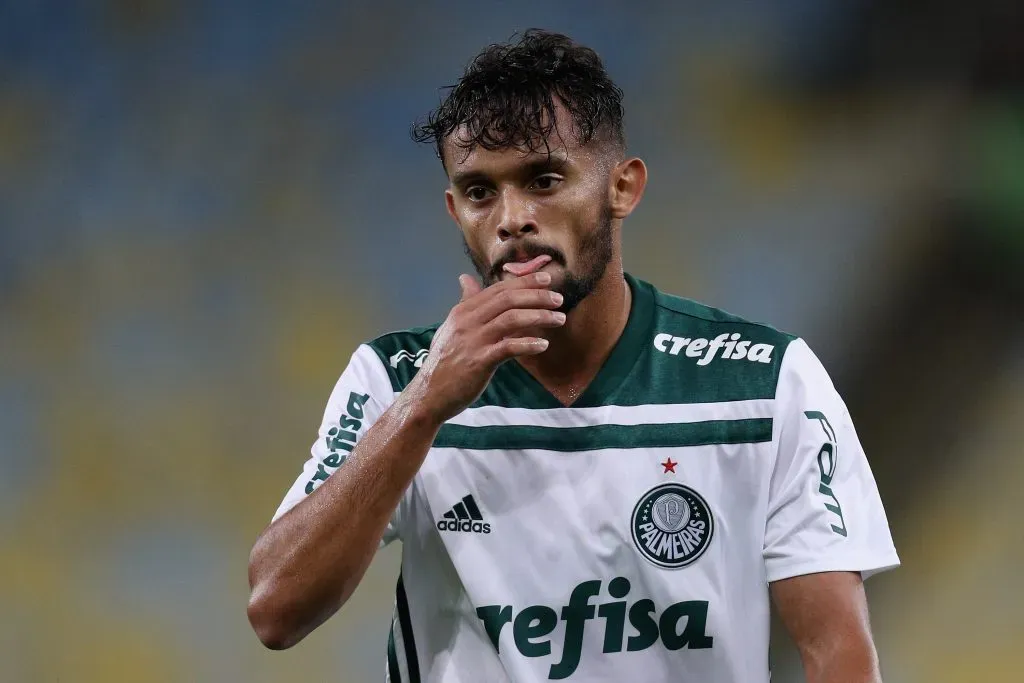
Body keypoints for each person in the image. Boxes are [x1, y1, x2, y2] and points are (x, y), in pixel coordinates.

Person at [247, 29, 899, 683]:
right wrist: (422, 405)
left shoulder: (765, 382)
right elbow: (276, 607)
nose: (512, 218)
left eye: (544, 179)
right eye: (480, 193)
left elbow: (838, 652)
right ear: (454, 210)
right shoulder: (393, 378)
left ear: (623, 186)